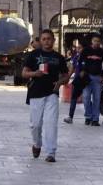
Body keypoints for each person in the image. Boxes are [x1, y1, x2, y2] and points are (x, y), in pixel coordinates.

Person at [21, 29, 70, 163]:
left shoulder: (59, 58)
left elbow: (65, 76)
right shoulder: (33, 55)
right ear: (40, 41)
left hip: (52, 94)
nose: (47, 41)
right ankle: (37, 144)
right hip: (36, 93)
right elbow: (24, 73)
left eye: (49, 38)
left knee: (51, 123)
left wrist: (60, 82)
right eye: (44, 39)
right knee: (35, 125)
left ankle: (51, 152)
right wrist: (34, 74)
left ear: (53, 40)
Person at [79, 34, 103, 127]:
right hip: (87, 78)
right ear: (92, 41)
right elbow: (80, 62)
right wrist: (82, 71)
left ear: (100, 42)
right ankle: (88, 116)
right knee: (86, 98)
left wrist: (102, 76)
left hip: (97, 79)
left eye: (98, 41)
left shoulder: (102, 52)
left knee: (96, 99)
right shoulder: (86, 51)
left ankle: (95, 119)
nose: (96, 43)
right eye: (95, 41)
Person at [63, 46, 85, 124]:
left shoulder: (88, 56)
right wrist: (67, 78)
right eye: (78, 48)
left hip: (87, 81)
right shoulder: (76, 57)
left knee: (87, 99)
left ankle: (90, 117)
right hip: (77, 81)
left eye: (80, 48)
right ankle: (70, 117)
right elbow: (72, 69)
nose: (79, 49)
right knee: (74, 98)